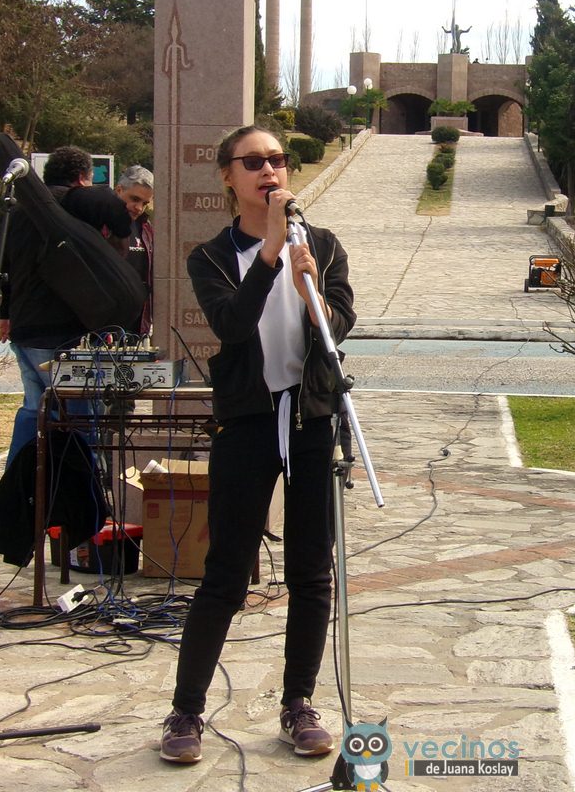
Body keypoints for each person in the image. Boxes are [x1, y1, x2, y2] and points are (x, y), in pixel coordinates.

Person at [160, 125, 355, 764]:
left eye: (277, 160)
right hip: (246, 422)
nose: (269, 171)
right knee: (225, 572)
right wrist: (269, 254)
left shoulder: (322, 245)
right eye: (253, 162)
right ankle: (186, 712)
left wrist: (311, 290)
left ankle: (299, 702)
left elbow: (340, 325)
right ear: (228, 176)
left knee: (311, 571)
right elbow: (233, 325)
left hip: (311, 418)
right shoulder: (212, 257)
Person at [0, 145, 132, 472]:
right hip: (63, 331)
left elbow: (2, 265)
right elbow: (118, 215)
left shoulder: (19, 211)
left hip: (25, 328)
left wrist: (5, 313)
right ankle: (82, 486)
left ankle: (21, 482)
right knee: (81, 416)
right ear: (83, 177)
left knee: (34, 409)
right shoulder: (77, 203)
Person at [113, 165, 155, 338]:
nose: (139, 208)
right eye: (135, 199)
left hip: (137, 327)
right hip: (103, 327)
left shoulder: (145, 227)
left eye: (144, 203)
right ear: (119, 190)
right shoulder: (101, 224)